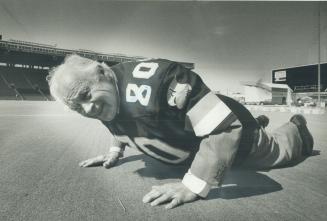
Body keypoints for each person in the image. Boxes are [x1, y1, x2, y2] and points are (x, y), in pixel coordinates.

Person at [47, 54, 313, 209]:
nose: (88, 108)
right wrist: (115, 150)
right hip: (197, 128)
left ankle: (295, 129)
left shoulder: (158, 81)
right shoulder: (106, 94)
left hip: (230, 127)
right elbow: (118, 121)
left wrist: (192, 186)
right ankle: (261, 121)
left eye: (85, 94)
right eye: (77, 107)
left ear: (102, 71)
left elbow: (224, 127)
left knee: (276, 152)